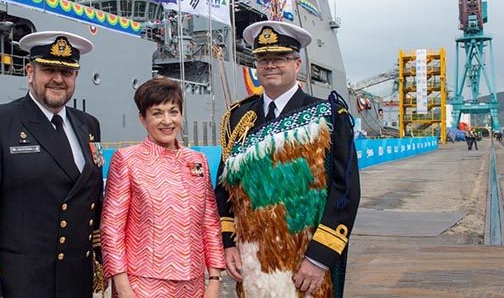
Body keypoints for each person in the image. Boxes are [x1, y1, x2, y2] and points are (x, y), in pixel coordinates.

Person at [215, 20, 361, 298]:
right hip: (253, 261)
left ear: (297, 64)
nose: (270, 65)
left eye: (280, 58)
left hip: (306, 258)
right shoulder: (238, 119)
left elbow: (345, 192)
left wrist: (319, 258)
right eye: (263, 59)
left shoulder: (328, 117)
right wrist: (228, 243)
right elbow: (224, 188)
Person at [0, 31, 105, 298]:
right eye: (48, 69)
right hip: (21, 284)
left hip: (76, 282)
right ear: (30, 71)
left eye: (67, 72)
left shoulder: (88, 125)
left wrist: (100, 259)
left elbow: (93, 201)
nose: (58, 79)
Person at [102, 77, 225, 298]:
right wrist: (122, 286)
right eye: (157, 113)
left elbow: (210, 224)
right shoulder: (127, 160)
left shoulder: (198, 160)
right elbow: (112, 228)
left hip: (193, 284)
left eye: (173, 111)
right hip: (142, 284)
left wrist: (214, 280)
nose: (167, 121)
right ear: (143, 119)